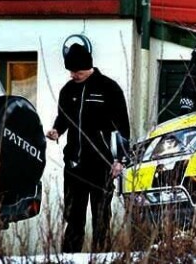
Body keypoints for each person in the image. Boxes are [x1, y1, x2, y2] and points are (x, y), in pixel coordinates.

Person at [46, 43, 130, 253]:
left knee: (101, 218)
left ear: (88, 67)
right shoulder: (67, 90)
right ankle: (69, 257)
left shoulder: (109, 88)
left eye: (78, 71)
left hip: (102, 164)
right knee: (74, 217)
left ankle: (101, 256)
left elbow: (123, 126)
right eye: (71, 71)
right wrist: (57, 130)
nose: (73, 75)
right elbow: (63, 117)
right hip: (74, 164)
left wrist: (120, 160)